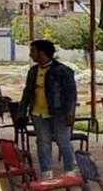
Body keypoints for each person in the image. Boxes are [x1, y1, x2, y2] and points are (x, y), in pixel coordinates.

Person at [19, 39, 78, 180]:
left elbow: (71, 94)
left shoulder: (63, 71)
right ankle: (46, 172)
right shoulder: (33, 71)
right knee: (42, 142)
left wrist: (70, 113)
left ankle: (70, 170)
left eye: (33, 51)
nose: (30, 54)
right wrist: (22, 111)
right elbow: (27, 92)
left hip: (59, 113)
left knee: (63, 141)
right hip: (38, 113)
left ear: (42, 53)